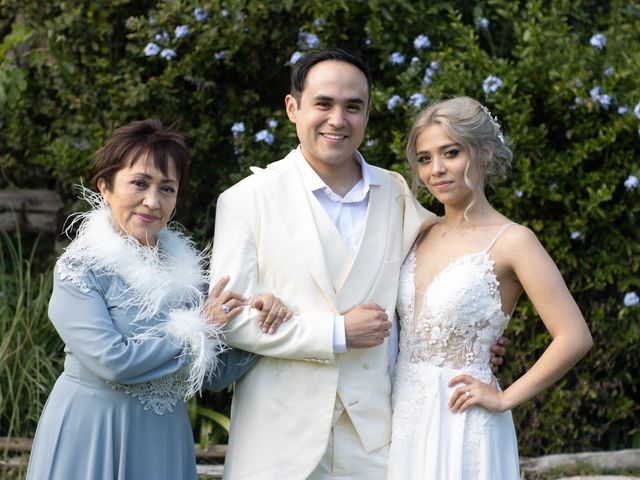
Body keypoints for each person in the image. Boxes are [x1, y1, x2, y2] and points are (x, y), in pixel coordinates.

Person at [210, 50, 504, 479]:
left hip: (377, 442)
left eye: (353, 107)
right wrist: (336, 333)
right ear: (293, 108)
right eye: (323, 104)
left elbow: (453, 260)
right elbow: (230, 319)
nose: (337, 119)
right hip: (277, 442)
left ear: (367, 113)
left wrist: (472, 338)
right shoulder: (246, 199)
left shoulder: (396, 192)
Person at [25, 119, 290, 480]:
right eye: (139, 183)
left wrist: (261, 323)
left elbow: (210, 376)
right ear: (105, 186)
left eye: (167, 188)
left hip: (165, 435)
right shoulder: (80, 268)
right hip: (93, 431)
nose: (153, 201)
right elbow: (113, 360)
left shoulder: (187, 275)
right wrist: (199, 327)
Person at [388, 96, 593, 479]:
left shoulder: (514, 241)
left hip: (462, 419)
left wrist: (503, 398)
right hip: (402, 415)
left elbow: (574, 337)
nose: (437, 170)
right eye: (425, 158)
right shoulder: (417, 231)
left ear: (483, 153)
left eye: (450, 152)